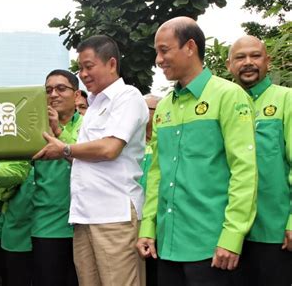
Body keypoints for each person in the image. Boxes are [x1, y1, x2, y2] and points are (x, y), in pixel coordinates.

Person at [136, 17, 258, 286]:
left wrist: (232, 237)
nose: (158, 59)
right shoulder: (164, 107)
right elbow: (157, 173)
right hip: (167, 246)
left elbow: (244, 171)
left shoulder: (229, 96)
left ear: (190, 47)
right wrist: (148, 228)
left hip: (213, 247)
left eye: (164, 50)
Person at [34, 35, 148, 286]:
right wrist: (63, 149)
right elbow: (83, 160)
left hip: (114, 216)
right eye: (80, 68)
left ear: (111, 64)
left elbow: (110, 148)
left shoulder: (128, 97)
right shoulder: (94, 106)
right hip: (84, 216)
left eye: (89, 66)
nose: (83, 74)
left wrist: (64, 149)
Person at [226, 35, 292, 286]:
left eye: (255, 56)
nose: (248, 62)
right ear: (229, 64)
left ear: (268, 61)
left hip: (274, 231)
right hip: (228, 233)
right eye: (240, 57)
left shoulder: (286, 99)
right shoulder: (224, 103)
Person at [31, 69, 82, 286]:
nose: (53, 95)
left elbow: (86, 157)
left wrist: (58, 130)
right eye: (48, 90)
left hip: (84, 224)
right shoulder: (34, 129)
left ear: (77, 95)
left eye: (61, 88)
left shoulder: (89, 124)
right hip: (47, 225)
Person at [138, 94, 162, 286]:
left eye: (147, 109)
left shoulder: (163, 144)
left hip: (159, 221)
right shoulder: (132, 144)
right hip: (136, 220)